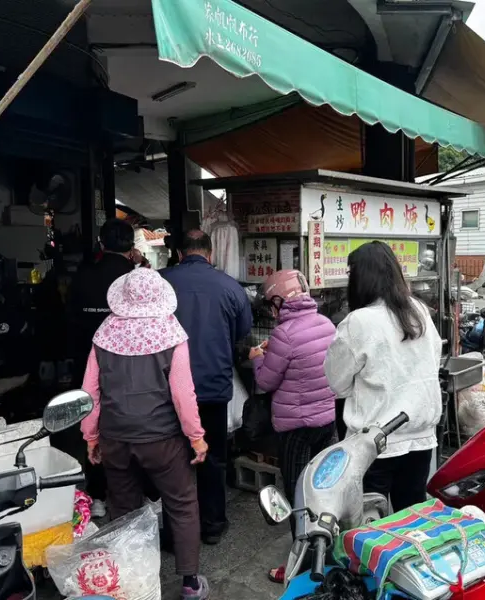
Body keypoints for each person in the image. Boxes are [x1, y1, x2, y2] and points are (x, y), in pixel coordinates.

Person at [80, 268, 210, 600]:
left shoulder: (104, 334)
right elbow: (183, 393)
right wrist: (196, 436)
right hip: (163, 440)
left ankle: (130, 583)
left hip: (116, 438)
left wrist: (90, 435)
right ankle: (190, 583)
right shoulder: (171, 333)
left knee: (123, 509)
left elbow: (90, 392)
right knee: (181, 504)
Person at [324, 241, 442, 512]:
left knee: (369, 521)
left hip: (374, 442)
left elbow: (336, 382)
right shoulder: (418, 310)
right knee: (411, 514)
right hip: (420, 435)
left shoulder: (359, 321)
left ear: (361, 277)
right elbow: (432, 361)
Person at [162, 229, 252, 544]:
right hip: (213, 388)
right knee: (212, 457)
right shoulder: (231, 287)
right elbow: (242, 334)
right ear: (210, 253)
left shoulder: (162, 282)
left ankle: (175, 533)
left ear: (180, 253)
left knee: (173, 459)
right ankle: (212, 526)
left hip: (166, 391)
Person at [250, 270, 337, 584]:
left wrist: (257, 357)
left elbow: (265, 382)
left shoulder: (284, 335)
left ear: (278, 300)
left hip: (295, 428)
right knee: (325, 491)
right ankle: (327, 555)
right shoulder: (327, 324)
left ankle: (300, 567)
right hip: (327, 421)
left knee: (298, 496)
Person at [67, 218, 140, 518]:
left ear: (101, 244)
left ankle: (96, 496)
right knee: (128, 428)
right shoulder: (134, 278)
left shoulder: (83, 274)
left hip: (86, 363)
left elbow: (69, 316)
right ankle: (130, 496)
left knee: (91, 429)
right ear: (131, 247)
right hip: (126, 368)